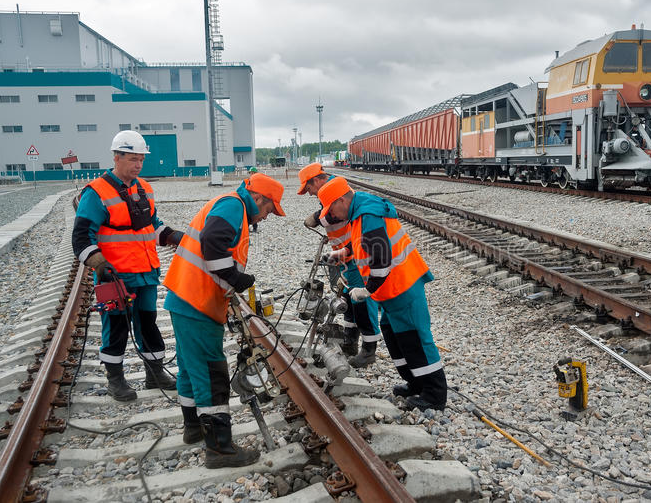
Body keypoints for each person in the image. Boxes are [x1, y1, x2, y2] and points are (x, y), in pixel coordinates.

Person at [163, 173, 285, 468]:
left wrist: (229, 289)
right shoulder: (233, 206)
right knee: (211, 372)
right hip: (197, 303)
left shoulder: (233, 207)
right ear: (259, 198)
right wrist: (234, 277)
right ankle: (219, 449)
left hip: (187, 299)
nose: (267, 217)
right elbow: (213, 245)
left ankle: (193, 428)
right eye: (269, 209)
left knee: (191, 370)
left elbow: (215, 251)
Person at [317, 177, 448, 411]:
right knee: (394, 335)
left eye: (332, 209)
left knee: (415, 337)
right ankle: (415, 383)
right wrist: (344, 253)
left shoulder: (367, 215)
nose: (333, 216)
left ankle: (434, 395)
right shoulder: (359, 212)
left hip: (402, 285)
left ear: (341, 200)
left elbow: (381, 258)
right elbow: (363, 244)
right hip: (392, 288)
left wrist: (366, 290)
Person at [72, 130, 180, 402]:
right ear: (116, 157)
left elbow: (152, 226)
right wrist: (98, 263)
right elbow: (82, 236)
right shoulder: (96, 192)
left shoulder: (144, 188)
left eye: (141, 159)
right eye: (133, 159)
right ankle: (116, 380)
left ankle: (154, 374)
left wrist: (175, 236)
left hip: (145, 273)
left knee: (148, 323)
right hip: (114, 276)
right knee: (116, 325)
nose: (138, 165)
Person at [297, 162, 381, 368]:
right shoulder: (329, 190)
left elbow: (333, 214)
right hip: (344, 254)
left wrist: (317, 218)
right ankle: (351, 341)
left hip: (354, 254)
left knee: (361, 300)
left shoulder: (337, 188)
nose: (309, 193)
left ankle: (369, 349)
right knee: (348, 300)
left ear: (316, 179)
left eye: (308, 188)